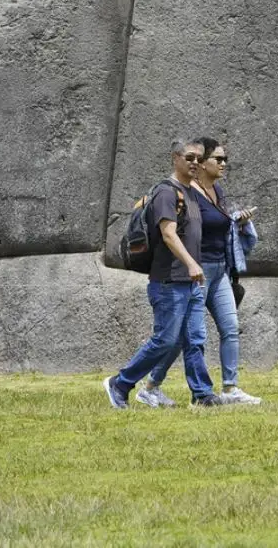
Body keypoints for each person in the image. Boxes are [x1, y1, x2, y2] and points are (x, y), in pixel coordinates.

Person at [135, 138, 264, 407]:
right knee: (185, 338)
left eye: (225, 159)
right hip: (195, 270)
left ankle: (230, 388)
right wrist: (191, 265)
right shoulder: (187, 193)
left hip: (220, 270)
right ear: (204, 164)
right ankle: (151, 386)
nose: (224, 164)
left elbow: (221, 221)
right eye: (218, 159)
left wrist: (238, 219)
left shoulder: (218, 192)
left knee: (230, 328)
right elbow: (180, 231)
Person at [104, 140, 220, 409]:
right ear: (175, 158)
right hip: (169, 281)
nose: (195, 163)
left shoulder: (191, 192)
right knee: (165, 340)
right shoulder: (167, 193)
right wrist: (192, 264)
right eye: (190, 157)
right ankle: (120, 383)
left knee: (194, 339)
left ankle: (202, 394)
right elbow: (168, 234)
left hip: (189, 283)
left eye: (200, 159)